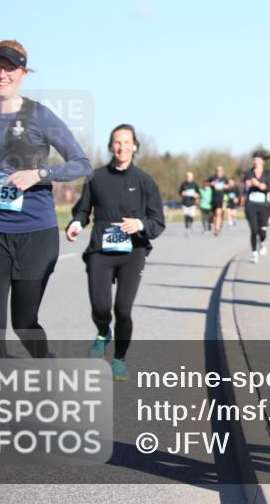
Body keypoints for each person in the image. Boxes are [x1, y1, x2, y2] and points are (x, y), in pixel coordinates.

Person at [0, 40, 91, 451]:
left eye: (10, 68)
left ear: (24, 74)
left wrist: (39, 173)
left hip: (35, 234)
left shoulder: (39, 116)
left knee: (24, 323)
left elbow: (81, 163)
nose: (2, 74)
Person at [66, 124, 165, 381]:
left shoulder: (145, 182)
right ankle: (102, 331)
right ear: (111, 146)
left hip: (133, 252)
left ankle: (119, 360)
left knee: (123, 309)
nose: (121, 147)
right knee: (101, 307)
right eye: (116, 142)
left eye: (126, 142)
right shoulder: (95, 177)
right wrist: (76, 223)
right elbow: (82, 210)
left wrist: (140, 224)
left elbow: (158, 221)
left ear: (135, 146)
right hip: (101, 249)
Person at [242, 151, 270, 263]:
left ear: (262, 161)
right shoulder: (248, 173)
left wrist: (258, 184)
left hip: (264, 206)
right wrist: (248, 184)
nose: (257, 161)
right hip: (251, 205)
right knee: (254, 230)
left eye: (259, 159)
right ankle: (254, 253)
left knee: (263, 231)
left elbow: (269, 188)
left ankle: (262, 242)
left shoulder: (267, 173)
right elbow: (245, 186)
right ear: (253, 161)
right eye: (255, 159)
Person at [207, 166, 232, 235]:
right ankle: (214, 224)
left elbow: (229, 186)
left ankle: (216, 229)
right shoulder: (212, 177)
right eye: (217, 170)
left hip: (222, 198)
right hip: (213, 198)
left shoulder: (225, 178)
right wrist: (210, 184)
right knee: (213, 214)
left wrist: (226, 186)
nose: (219, 171)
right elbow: (206, 183)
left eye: (220, 170)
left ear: (223, 171)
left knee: (219, 213)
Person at [178, 171, 199, 236]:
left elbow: (198, 193)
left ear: (192, 177)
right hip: (185, 203)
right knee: (186, 215)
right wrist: (182, 193)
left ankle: (191, 223)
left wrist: (196, 196)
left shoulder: (195, 184)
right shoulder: (183, 184)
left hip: (192, 203)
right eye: (187, 177)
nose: (189, 178)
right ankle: (187, 228)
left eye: (190, 177)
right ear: (186, 177)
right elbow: (179, 192)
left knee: (191, 216)